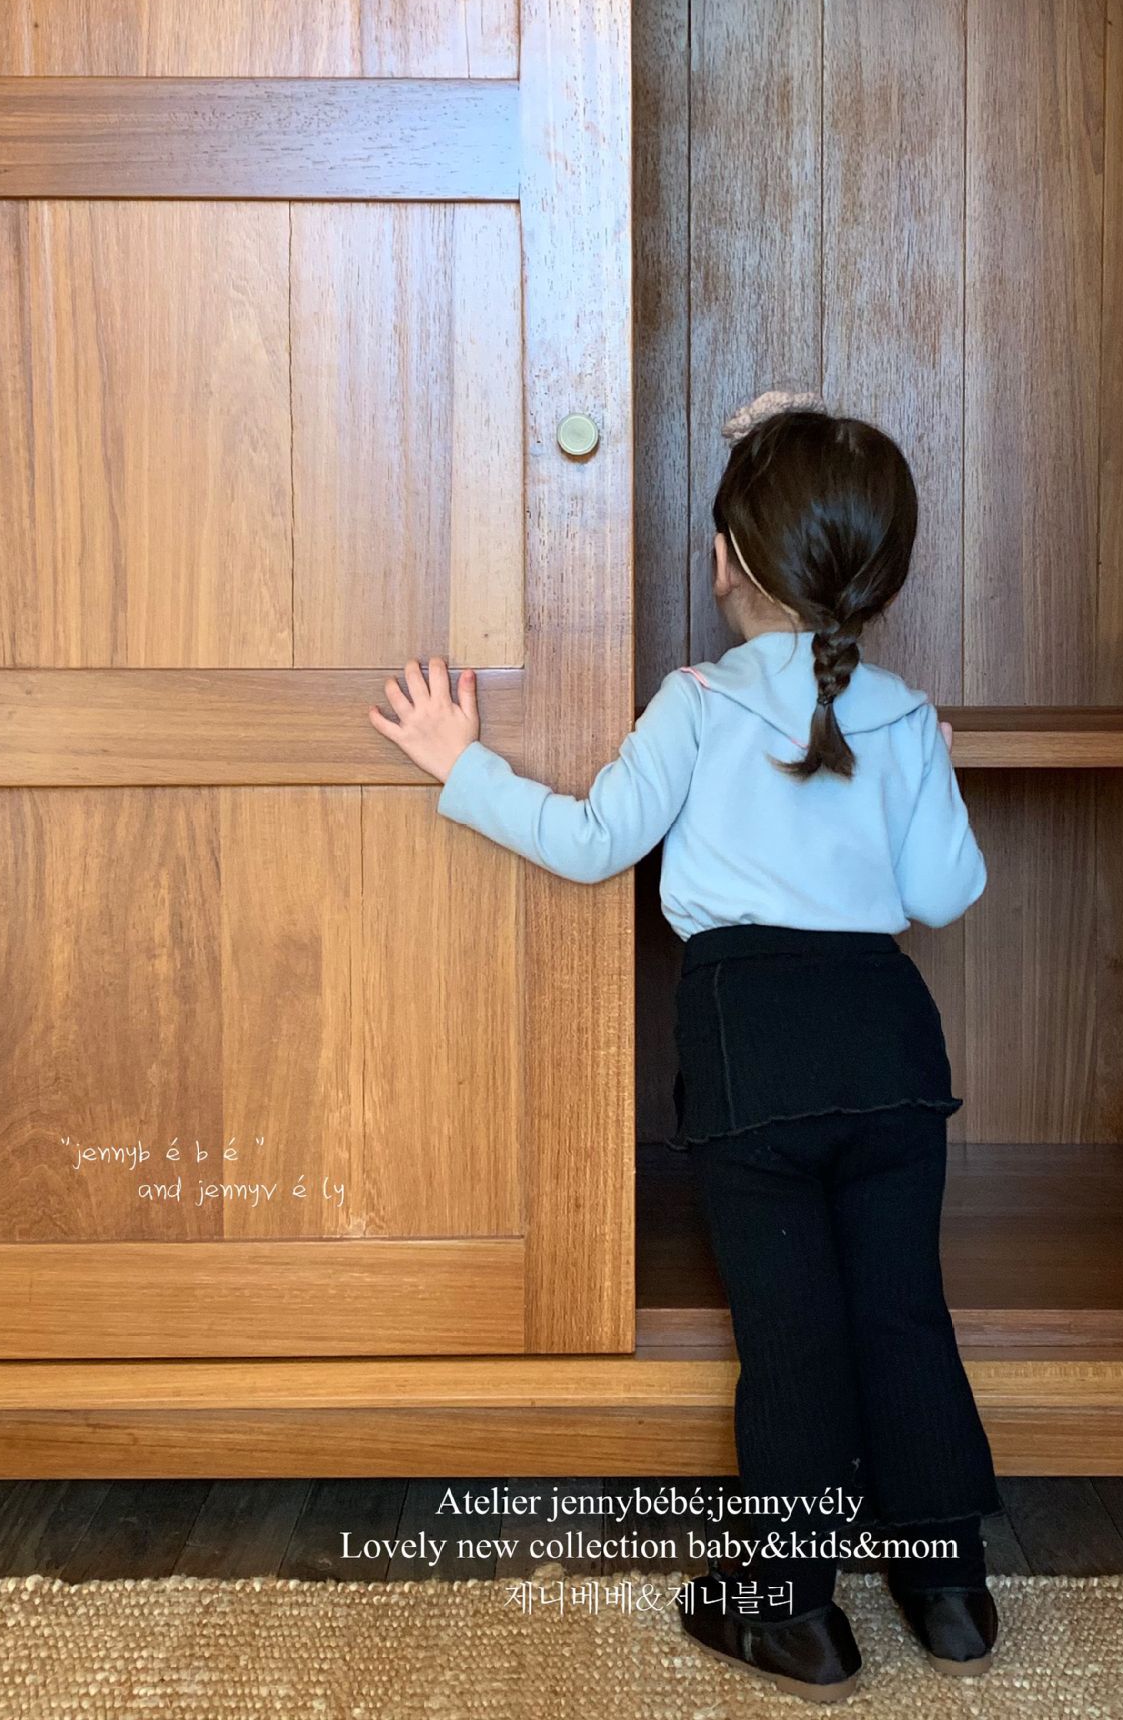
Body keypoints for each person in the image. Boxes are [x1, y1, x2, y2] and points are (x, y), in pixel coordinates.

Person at [368, 389, 1003, 1702]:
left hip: (752, 1052)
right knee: (901, 1312)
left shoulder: (700, 700)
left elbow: (594, 840)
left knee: (795, 1337)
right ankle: (948, 1590)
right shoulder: (902, 714)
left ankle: (794, 1612)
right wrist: (935, 766)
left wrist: (460, 766)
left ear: (727, 561)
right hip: (891, 1052)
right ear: (879, 577)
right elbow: (944, 894)